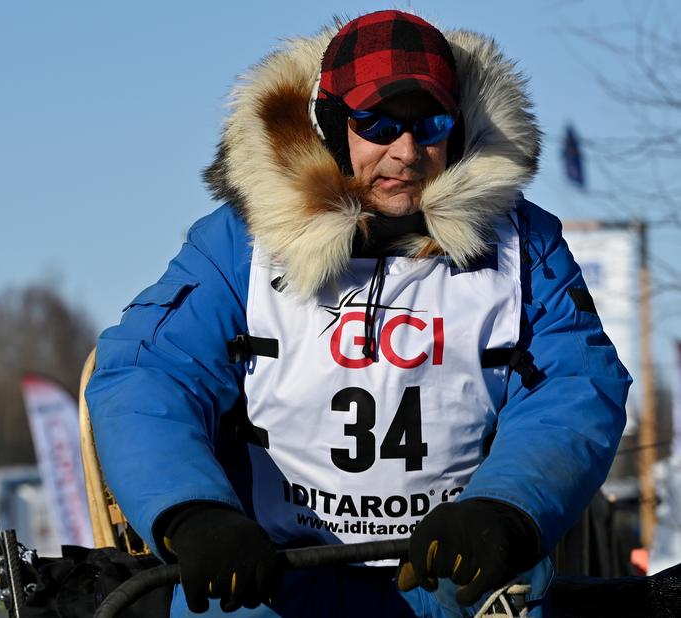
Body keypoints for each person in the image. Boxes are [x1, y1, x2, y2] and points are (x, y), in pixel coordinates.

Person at [85, 10, 630, 617]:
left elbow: (575, 384)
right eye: (378, 124)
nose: (407, 151)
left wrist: (506, 507)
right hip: (274, 569)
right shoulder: (240, 245)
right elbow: (148, 375)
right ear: (333, 124)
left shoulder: (523, 246)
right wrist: (195, 514)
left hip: (454, 568)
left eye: (430, 124)